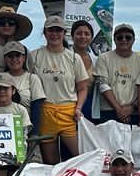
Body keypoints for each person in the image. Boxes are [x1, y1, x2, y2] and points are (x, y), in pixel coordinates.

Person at [28, 15, 92, 163]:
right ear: (44, 33)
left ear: (64, 33)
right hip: (45, 111)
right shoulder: (34, 56)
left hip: (68, 112)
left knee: (81, 158)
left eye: (58, 30)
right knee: (51, 163)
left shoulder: (74, 58)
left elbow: (82, 88)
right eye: (51, 30)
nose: (54, 34)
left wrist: (78, 108)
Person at [92, 24, 140, 124]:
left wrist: (131, 108)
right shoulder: (103, 58)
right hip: (108, 112)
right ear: (114, 40)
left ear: (133, 39)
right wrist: (118, 109)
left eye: (128, 37)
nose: (124, 40)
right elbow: (102, 85)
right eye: (120, 37)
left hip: (134, 113)